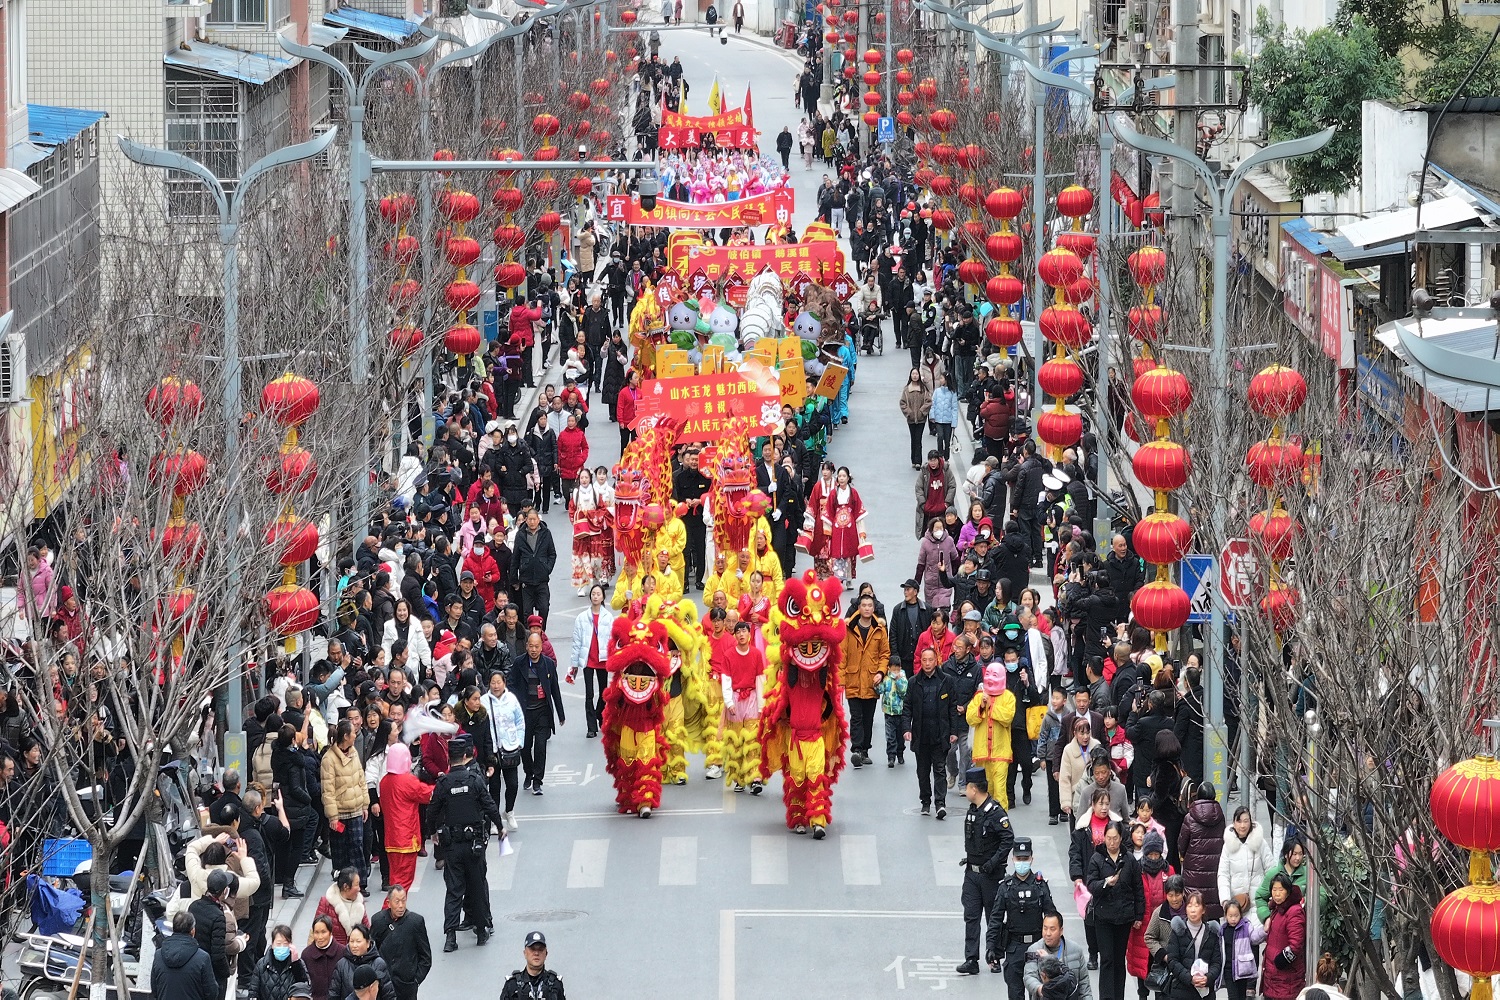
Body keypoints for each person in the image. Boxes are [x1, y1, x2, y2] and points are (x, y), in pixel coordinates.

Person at [428, 733, 507, 952]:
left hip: (452, 845)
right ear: (466, 755)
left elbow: (432, 811)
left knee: (454, 890)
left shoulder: (444, 783)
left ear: (449, 758)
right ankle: (481, 931)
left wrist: (432, 832)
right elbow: (489, 805)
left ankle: (450, 937)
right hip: (474, 845)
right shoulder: (474, 780)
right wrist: (500, 827)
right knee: (477, 886)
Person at [955, 766, 1016, 976]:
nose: (966, 791)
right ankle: (971, 959)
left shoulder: (995, 812)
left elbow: (1008, 839)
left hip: (991, 875)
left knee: (994, 917)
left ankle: (995, 957)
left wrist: (993, 862)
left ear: (974, 788)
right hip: (972, 874)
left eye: (967, 786)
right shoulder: (973, 810)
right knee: (971, 916)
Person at [987, 837, 1056, 996]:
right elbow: (995, 919)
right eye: (1019, 859)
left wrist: (1056, 946)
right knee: (1015, 993)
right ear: (1013, 859)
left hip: (1037, 947)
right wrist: (991, 946)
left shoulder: (1040, 886)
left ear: (1032, 858)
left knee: (1040, 993)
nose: (1022, 862)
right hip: (1014, 948)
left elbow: (1051, 915)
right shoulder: (1006, 887)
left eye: (1025, 858)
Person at [1086, 820, 1144, 1000]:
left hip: (1124, 916)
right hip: (1103, 917)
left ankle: (1119, 996)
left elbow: (1138, 888)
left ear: (1121, 838)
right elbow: (1091, 884)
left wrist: (1138, 914)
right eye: (1109, 838)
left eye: (1115, 838)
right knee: (1107, 959)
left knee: (1119, 961)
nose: (1112, 842)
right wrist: (1105, 883)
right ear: (1104, 838)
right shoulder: (1097, 858)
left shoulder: (1129, 860)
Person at [906, 647, 959, 818]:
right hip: (921, 735)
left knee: (939, 770)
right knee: (922, 771)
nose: (927, 663)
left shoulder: (946, 681)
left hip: (940, 734)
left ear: (936, 660)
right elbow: (907, 707)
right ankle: (925, 801)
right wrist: (906, 728)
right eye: (924, 660)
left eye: (930, 660)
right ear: (920, 661)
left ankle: (940, 803)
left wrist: (953, 731)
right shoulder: (914, 682)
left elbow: (953, 707)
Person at [509, 631, 564, 794]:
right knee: (525, 748)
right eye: (531, 646)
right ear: (526, 646)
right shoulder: (519, 663)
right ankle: (528, 772)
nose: (534, 649)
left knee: (540, 746)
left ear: (542, 647)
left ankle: (537, 780)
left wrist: (561, 714)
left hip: (542, 712)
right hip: (525, 713)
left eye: (537, 646)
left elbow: (555, 689)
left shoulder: (548, 664)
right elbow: (511, 685)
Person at [841, 593, 889, 769]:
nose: (867, 608)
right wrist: (840, 681)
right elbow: (842, 655)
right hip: (853, 677)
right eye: (864, 605)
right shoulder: (848, 629)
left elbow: (885, 654)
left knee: (868, 717)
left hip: (871, 680)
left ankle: (865, 750)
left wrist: (881, 672)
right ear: (859, 608)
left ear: (873, 608)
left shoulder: (880, 629)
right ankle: (857, 749)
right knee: (856, 716)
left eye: (870, 605)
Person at [321, 721, 371, 889]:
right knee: (340, 850)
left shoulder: (354, 752)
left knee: (357, 847)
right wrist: (333, 816)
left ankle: (360, 884)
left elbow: (361, 779)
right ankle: (342, 885)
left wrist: (365, 804)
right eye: (353, 733)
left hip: (356, 810)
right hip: (340, 814)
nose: (355, 736)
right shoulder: (328, 759)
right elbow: (328, 791)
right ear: (345, 736)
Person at [377, 745, 433, 893]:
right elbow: (427, 794)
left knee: (395, 879)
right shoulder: (407, 781)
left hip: (391, 839)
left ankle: (393, 913)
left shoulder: (384, 782)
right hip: (406, 839)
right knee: (402, 885)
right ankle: (390, 913)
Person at [479, 669, 526, 830]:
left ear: (504, 683)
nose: (496, 686)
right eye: (493, 682)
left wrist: (520, 741)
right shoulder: (484, 701)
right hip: (491, 750)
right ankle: (494, 819)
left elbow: (520, 721)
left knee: (513, 784)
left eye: (499, 682)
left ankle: (509, 811)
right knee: (495, 787)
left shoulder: (512, 699)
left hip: (510, 748)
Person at [369, 887, 431, 1000]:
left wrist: (415, 981)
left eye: (404, 900)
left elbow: (426, 957)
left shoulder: (415, 922)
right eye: (397, 901)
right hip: (383, 984)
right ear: (389, 903)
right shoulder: (378, 920)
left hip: (407, 986)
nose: (401, 905)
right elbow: (372, 951)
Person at [1178, 782, 1226, 918]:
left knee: (1195, 906)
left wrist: (1183, 856)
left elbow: (1182, 843)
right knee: (1213, 905)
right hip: (1215, 866)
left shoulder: (1190, 817)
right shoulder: (1220, 816)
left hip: (1194, 869)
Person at [1164, 891, 1223, 1000]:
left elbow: (1217, 962)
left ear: (1203, 909)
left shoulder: (1211, 933)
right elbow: (1172, 960)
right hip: (1181, 990)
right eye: (1189, 905)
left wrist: (1207, 978)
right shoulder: (1178, 931)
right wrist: (1189, 978)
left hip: (1205, 991)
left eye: (1197, 905)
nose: (1193, 909)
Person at [1217, 806, 1275, 915]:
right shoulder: (1227, 846)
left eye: (1246, 821)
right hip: (1236, 906)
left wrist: (1270, 895)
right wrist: (1225, 901)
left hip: (1259, 904)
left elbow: (1271, 870)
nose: (1242, 825)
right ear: (1234, 823)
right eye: (1239, 821)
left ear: (1251, 822)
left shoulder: (1260, 842)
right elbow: (1223, 875)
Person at [1024, 912, 1094, 1000]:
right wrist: (1042, 990)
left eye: (1052, 929)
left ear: (1061, 931)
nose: (1048, 933)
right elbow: (1029, 977)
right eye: (1045, 928)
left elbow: (1084, 984)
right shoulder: (1033, 950)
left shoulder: (1076, 950)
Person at [188, 870, 234, 1000]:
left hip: (194, 968)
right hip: (211, 973)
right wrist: (226, 972)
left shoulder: (193, 906)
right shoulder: (218, 916)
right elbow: (218, 953)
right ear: (224, 891)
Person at [154, 912, 221, 1000]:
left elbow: (155, 989)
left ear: (173, 929)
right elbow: (212, 992)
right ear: (193, 931)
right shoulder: (202, 958)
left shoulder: (158, 955)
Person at [1258, 875, 1306, 1000]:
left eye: (1281, 890)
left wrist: (1281, 961)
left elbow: (1296, 944)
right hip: (1271, 979)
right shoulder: (1276, 909)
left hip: (1287, 980)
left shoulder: (1294, 911)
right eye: (1274, 890)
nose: (1277, 894)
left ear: (1288, 891)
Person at [512, 507, 557, 628]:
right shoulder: (520, 535)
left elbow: (552, 554)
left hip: (542, 579)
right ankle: (529, 634)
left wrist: (547, 568)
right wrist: (514, 579)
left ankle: (542, 632)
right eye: (529, 519)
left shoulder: (546, 533)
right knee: (527, 611)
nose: (532, 522)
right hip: (526, 580)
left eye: (534, 519)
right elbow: (515, 557)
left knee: (544, 608)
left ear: (538, 520)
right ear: (526, 520)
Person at [329, 925, 395, 1000]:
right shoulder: (341, 965)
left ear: (368, 943)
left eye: (358, 941)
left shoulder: (378, 963)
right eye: (351, 941)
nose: (354, 945)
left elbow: (389, 995)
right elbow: (333, 994)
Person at [1218, 900, 1266, 1000]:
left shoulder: (1246, 926)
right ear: (1226, 915)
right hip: (1228, 969)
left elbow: (1254, 938)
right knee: (1233, 996)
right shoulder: (1223, 929)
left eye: (1236, 915)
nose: (1233, 919)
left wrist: (1264, 930)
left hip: (1242, 970)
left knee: (1241, 996)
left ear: (1241, 914)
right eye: (1230, 916)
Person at [247, 925, 309, 1000]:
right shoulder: (262, 964)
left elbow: (304, 987)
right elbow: (253, 991)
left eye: (285, 944)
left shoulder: (298, 963)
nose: (282, 947)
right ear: (272, 944)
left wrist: (296, 964)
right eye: (278, 944)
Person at [499, 931, 567, 1000]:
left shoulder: (555, 984)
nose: (536, 953)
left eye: (540, 949)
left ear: (546, 954)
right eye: (532, 949)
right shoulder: (512, 984)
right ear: (525, 953)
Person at [314, 869, 368, 949]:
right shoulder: (326, 902)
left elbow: (366, 929)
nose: (359, 889)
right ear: (346, 886)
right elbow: (316, 930)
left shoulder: (359, 902)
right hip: (332, 953)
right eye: (356, 885)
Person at [302, 917, 347, 1000]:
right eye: (316, 932)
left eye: (323, 932)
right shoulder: (306, 955)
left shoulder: (342, 952)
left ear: (330, 932)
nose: (320, 937)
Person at [876, 654, 908, 767]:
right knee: (890, 736)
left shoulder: (903, 678)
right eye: (893, 669)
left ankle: (900, 754)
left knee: (900, 735)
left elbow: (904, 693)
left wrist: (899, 681)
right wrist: (876, 685)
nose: (895, 671)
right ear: (889, 668)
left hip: (900, 711)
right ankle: (891, 756)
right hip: (888, 712)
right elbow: (880, 691)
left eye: (897, 669)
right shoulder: (886, 678)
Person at [900, 368, 933, 469]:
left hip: (921, 419)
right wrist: (909, 413)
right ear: (910, 375)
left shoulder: (923, 389)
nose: (915, 376)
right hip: (911, 419)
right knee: (913, 439)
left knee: (918, 439)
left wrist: (921, 412)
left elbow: (928, 401)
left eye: (916, 374)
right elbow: (902, 403)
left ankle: (918, 461)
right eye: (913, 374)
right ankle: (913, 460)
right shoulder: (906, 389)